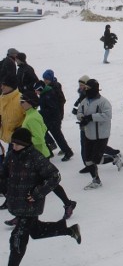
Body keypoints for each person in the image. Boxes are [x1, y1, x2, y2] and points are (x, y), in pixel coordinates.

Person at [0, 128, 81, 266]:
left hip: (30, 205)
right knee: (36, 232)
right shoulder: (11, 156)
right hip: (17, 204)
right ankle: (69, 230)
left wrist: (37, 193)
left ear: (25, 144)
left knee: (17, 238)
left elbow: (54, 176)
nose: (13, 146)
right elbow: (3, 174)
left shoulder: (35, 158)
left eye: (16, 144)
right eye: (12, 143)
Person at [7, 91, 77, 225]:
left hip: (38, 156)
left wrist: (23, 141)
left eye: (23, 102)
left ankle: (67, 204)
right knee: (40, 186)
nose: (20, 104)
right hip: (37, 155)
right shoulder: (32, 115)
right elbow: (44, 129)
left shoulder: (32, 117)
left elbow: (39, 138)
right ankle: (67, 204)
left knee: (43, 185)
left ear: (29, 103)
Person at [76, 79, 113, 189]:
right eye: (85, 88)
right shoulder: (84, 101)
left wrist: (91, 117)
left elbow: (107, 115)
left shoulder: (104, 102)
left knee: (96, 159)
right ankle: (96, 180)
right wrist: (82, 118)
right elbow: (79, 111)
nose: (85, 90)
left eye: (87, 88)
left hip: (101, 135)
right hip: (89, 134)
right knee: (88, 160)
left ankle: (114, 158)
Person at [37, 70, 73, 159]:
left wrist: (58, 113)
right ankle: (51, 149)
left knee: (57, 135)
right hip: (49, 116)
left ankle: (67, 151)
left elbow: (61, 101)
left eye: (47, 79)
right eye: (44, 78)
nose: (45, 80)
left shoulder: (54, 88)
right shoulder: (46, 88)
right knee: (44, 132)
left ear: (51, 79)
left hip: (55, 116)